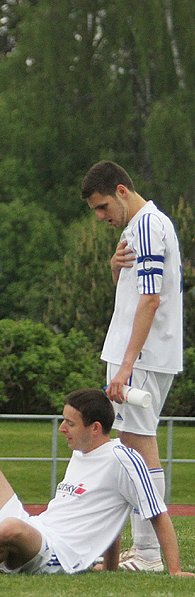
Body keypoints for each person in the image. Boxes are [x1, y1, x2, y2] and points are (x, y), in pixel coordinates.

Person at [0, 389, 193, 577]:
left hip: (55, 554)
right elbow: (105, 515)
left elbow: (158, 515)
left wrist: (175, 570)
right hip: (38, 530)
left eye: (69, 423)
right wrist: (108, 568)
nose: (62, 430)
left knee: (11, 529)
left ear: (95, 427)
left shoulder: (125, 458)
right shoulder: (82, 451)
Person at [82, 160, 183, 571]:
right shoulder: (138, 227)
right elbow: (135, 296)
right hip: (137, 353)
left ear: (122, 191)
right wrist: (112, 269)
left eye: (104, 206)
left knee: (139, 446)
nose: (101, 216)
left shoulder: (146, 225)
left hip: (139, 356)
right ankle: (143, 551)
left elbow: (151, 299)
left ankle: (149, 554)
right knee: (131, 445)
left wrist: (126, 366)